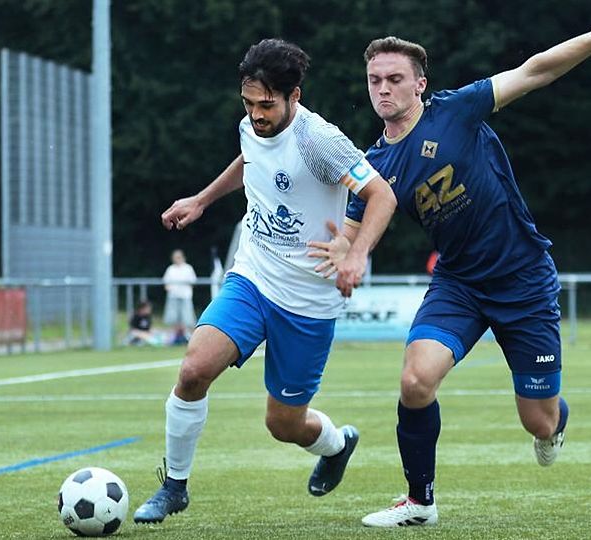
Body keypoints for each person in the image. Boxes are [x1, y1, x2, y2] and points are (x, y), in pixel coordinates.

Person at [311, 0, 591, 527]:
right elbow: (355, 229)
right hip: (459, 286)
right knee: (415, 381)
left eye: (395, 79)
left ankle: (555, 421)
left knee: (538, 422)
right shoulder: (374, 164)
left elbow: (535, 70)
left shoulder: (456, 110)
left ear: (420, 84)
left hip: (523, 280)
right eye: (375, 80)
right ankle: (420, 503)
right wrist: (344, 250)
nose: (383, 89)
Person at [132, 38, 397, 525]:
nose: (256, 114)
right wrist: (201, 200)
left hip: (308, 300)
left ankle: (336, 445)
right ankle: (174, 487)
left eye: (266, 105)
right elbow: (249, 157)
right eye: (248, 103)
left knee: (283, 424)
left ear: (294, 96)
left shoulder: (319, 141)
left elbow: (382, 194)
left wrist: (356, 253)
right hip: (253, 276)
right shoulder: (250, 125)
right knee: (193, 371)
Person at [162, 249, 197, 344]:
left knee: (187, 318)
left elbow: (193, 281)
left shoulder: (188, 268)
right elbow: (166, 282)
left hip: (185, 296)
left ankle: (189, 338)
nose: (177, 259)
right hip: (173, 296)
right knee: (173, 318)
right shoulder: (170, 269)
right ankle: (173, 338)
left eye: (178, 257)